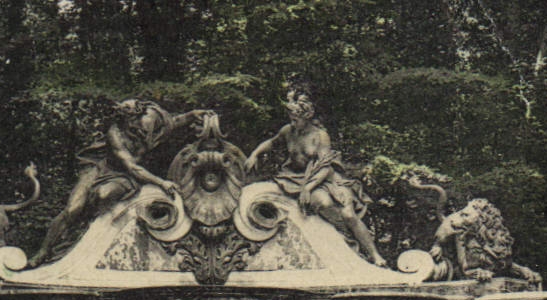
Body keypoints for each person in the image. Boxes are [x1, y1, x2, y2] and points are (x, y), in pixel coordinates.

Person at [28, 99, 210, 266]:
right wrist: (161, 182)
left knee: (104, 194)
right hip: (101, 168)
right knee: (72, 209)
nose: (136, 127)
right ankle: (43, 252)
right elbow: (132, 167)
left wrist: (193, 114)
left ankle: (83, 233)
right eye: (128, 122)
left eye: (136, 120)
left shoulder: (151, 119)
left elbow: (174, 122)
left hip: (123, 178)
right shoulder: (115, 133)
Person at [245, 85, 387, 266]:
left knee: (349, 214)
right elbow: (272, 143)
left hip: (327, 179)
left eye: (296, 119)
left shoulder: (320, 136)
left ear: (307, 117)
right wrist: (254, 154)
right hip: (297, 178)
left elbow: (325, 167)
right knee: (323, 203)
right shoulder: (288, 131)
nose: (293, 121)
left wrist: (308, 187)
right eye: (291, 118)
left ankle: (375, 255)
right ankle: (345, 236)